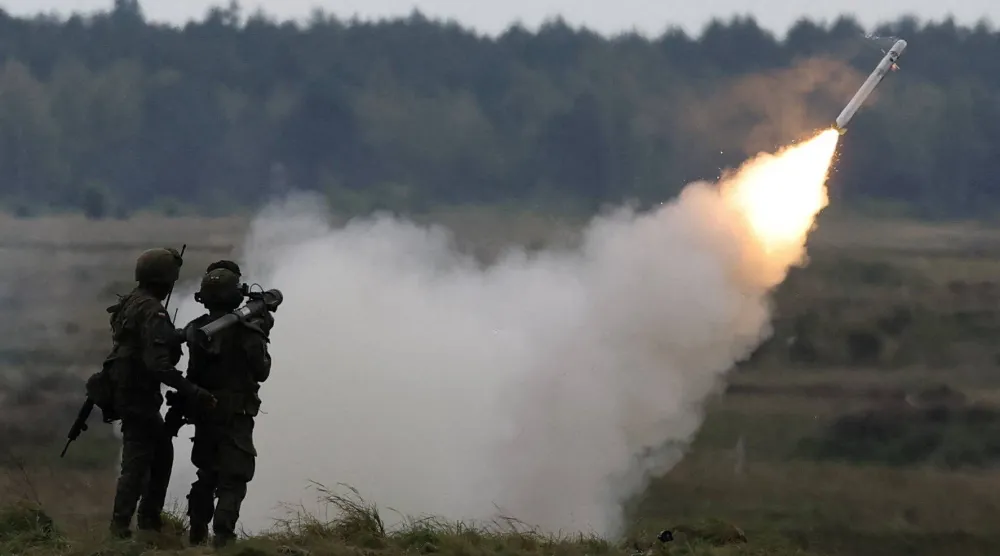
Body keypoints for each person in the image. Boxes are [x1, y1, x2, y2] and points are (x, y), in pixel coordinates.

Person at [105, 247, 217, 539]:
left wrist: (177, 335)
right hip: (138, 396)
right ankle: (125, 528)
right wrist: (193, 391)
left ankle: (147, 524)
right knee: (138, 461)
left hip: (127, 391)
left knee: (158, 455)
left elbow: (141, 341)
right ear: (164, 279)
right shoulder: (153, 310)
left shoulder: (131, 302)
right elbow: (159, 366)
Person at [182, 261, 273, 548]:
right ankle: (223, 538)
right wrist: (261, 332)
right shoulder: (247, 331)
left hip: (205, 411)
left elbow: (193, 373)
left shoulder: (197, 330)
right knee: (233, 477)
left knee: (206, 474)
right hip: (236, 414)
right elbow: (261, 371)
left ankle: (196, 535)